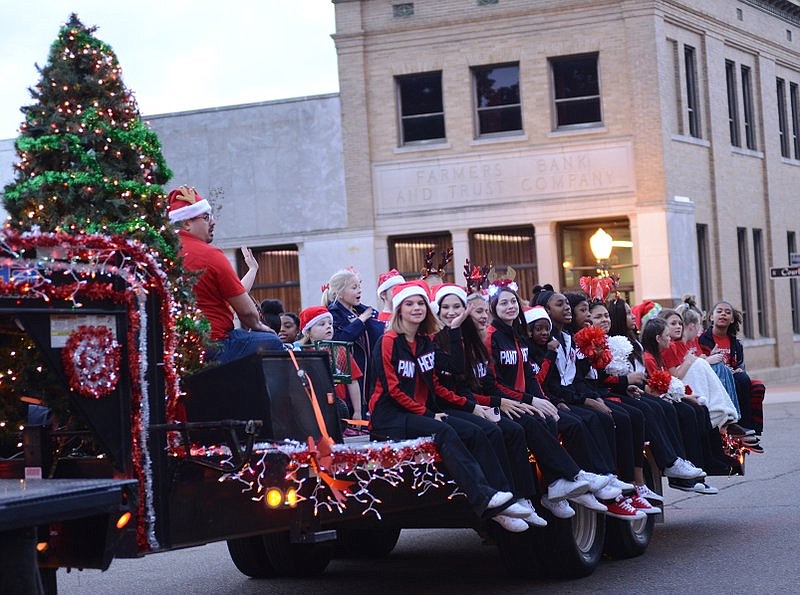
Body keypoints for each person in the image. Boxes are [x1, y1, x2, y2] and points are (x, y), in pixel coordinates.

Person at [368, 280, 533, 533]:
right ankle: (483, 497)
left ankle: (506, 499)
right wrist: (430, 414)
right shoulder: (388, 341)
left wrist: (454, 330)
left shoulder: (425, 342)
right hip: (391, 416)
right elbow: (394, 390)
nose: (416, 308)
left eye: (420, 303)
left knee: (479, 431)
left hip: (421, 411)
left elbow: (449, 375)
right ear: (399, 309)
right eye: (409, 304)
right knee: (444, 431)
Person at [490, 284, 643, 520]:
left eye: (513, 302)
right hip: (511, 402)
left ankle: (588, 480)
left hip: (536, 399)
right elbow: (501, 381)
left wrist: (539, 400)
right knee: (567, 423)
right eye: (503, 303)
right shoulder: (496, 338)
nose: (510, 307)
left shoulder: (524, 338)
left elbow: (535, 378)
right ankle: (556, 485)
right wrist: (533, 399)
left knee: (605, 416)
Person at [168, 186, 282, 364]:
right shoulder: (210, 255)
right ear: (186, 223)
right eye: (206, 217)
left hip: (173, 347)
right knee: (272, 342)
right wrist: (258, 326)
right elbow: (246, 311)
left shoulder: (161, 255)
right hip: (214, 345)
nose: (213, 222)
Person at [658, 309, 741, 432]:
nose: (678, 327)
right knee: (706, 365)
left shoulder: (676, 344)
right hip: (673, 387)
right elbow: (675, 375)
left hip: (682, 382)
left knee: (723, 369)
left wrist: (697, 360)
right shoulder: (669, 347)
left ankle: (728, 413)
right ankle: (720, 411)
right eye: (673, 323)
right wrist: (693, 361)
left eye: (680, 323)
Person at [699, 300, 766, 438]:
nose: (723, 314)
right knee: (740, 379)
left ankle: (748, 427)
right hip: (712, 378)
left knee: (755, 384)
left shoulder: (736, 343)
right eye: (719, 311)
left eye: (727, 312)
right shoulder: (702, 340)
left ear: (732, 319)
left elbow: (740, 366)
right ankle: (736, 423)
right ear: (711, 317)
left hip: (735, 377)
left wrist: (739, 370)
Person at [325, 268, 385, 412]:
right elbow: (339, 341)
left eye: (359, 286)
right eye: (354, 287)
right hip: (351, 377)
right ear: (339, 292)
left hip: (371, 371)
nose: (359, 291)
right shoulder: (333, 314)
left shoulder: (365, 311)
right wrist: (360, 321)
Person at [297, 306, 362, 421]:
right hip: (312, 408)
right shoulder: (302, 353)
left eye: (330, 323)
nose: (328, 326)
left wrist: (357, 411)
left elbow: (352, 381)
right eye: (321, 324)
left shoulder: (340, 350)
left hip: (338, 407)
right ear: (308, 332)